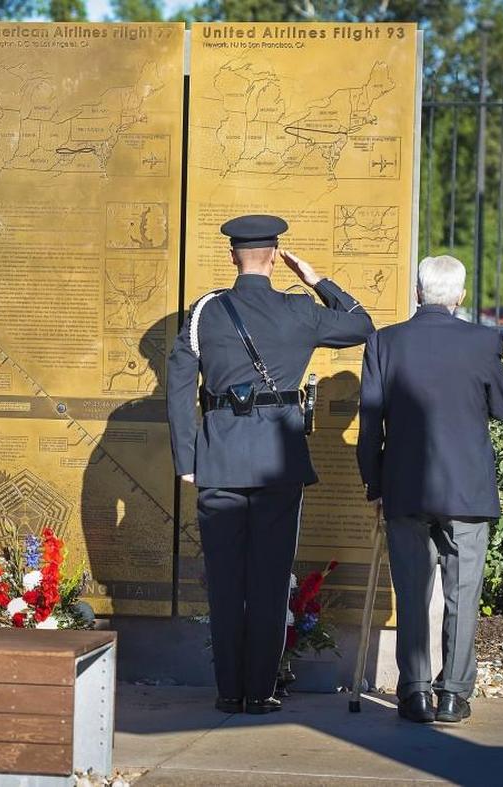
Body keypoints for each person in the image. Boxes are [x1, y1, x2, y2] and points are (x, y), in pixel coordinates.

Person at [167, 214, 374, 714]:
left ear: (232, 256)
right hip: (278, 465)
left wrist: (186, 458)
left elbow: (178, 385)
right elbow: (362, 324)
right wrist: (317, 279)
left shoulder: (204, 312)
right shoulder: (299, 310)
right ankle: (260, 692)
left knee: (224, 583)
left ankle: (228, 692)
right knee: (270, 580)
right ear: (276, 256)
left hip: (219, 460)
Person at [357, 254, 503, 724]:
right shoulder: (483, 341)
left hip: (404, 487)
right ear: (461, 296)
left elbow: (370, 425)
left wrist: (374, 483)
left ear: (418, 293)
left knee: (410, 592)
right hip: (466, 488)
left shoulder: (384, 341)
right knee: (462, 595)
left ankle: (415, 693)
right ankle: (453, 695)